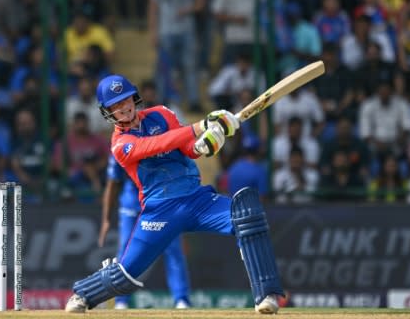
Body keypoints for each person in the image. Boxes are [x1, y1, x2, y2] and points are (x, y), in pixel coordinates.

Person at [65, 75, 283, 314]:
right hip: (160, 209)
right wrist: (201, 126)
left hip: (196, 200)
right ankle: (82, 294)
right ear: (107, 112)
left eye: (125, 100)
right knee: (126, 274)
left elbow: (187, 149)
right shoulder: (120, 144)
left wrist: (207, 142)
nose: (123, 108)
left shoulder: (161, 114)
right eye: (115, 105)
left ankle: (267, 295)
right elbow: (156, 145)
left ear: (134, 98)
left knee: (247, 216)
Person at [98, 153, 192, 309]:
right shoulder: (120, 146)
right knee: (126, 251)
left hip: (162, 202)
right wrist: (106, 219)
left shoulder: (159, 139)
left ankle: (182, 300)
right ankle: (121, 301)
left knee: (173, 249)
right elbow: (112, 182)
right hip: (132, 204)